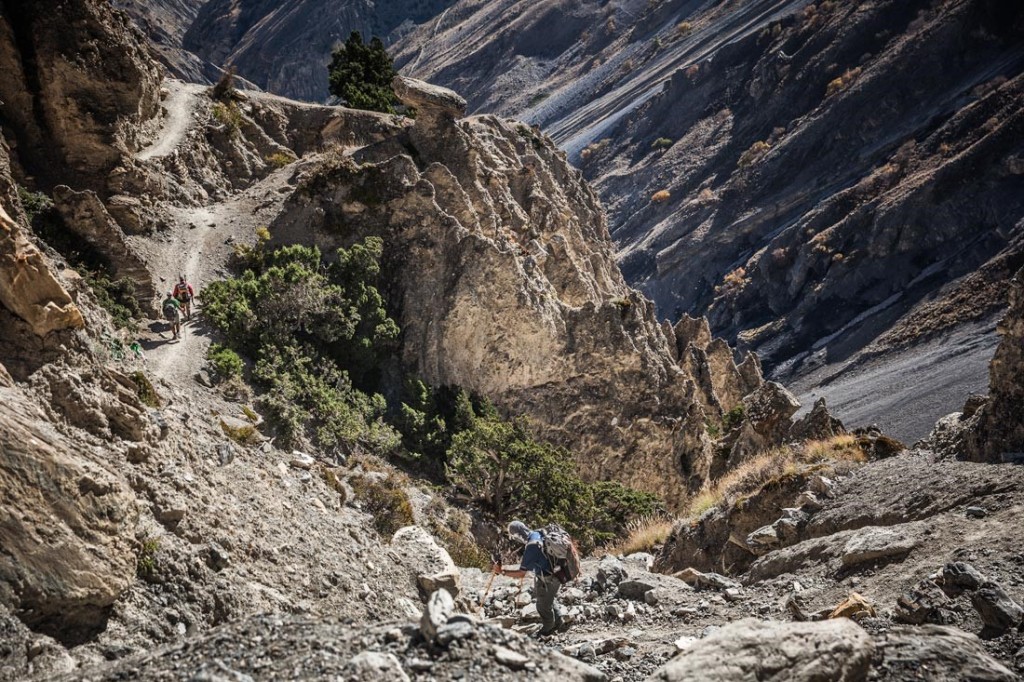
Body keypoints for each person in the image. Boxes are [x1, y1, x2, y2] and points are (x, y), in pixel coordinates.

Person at [493, 520, 563, 636]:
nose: (515, 539)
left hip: (548, 577)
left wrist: (502, 571)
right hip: (559, 573)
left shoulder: (531, 546)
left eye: (514, 536)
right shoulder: (539, 533)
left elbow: (521, 573)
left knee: (542, 605)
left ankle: (548, 629)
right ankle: (559, 621)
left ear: (517, 535)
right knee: (549, 598)